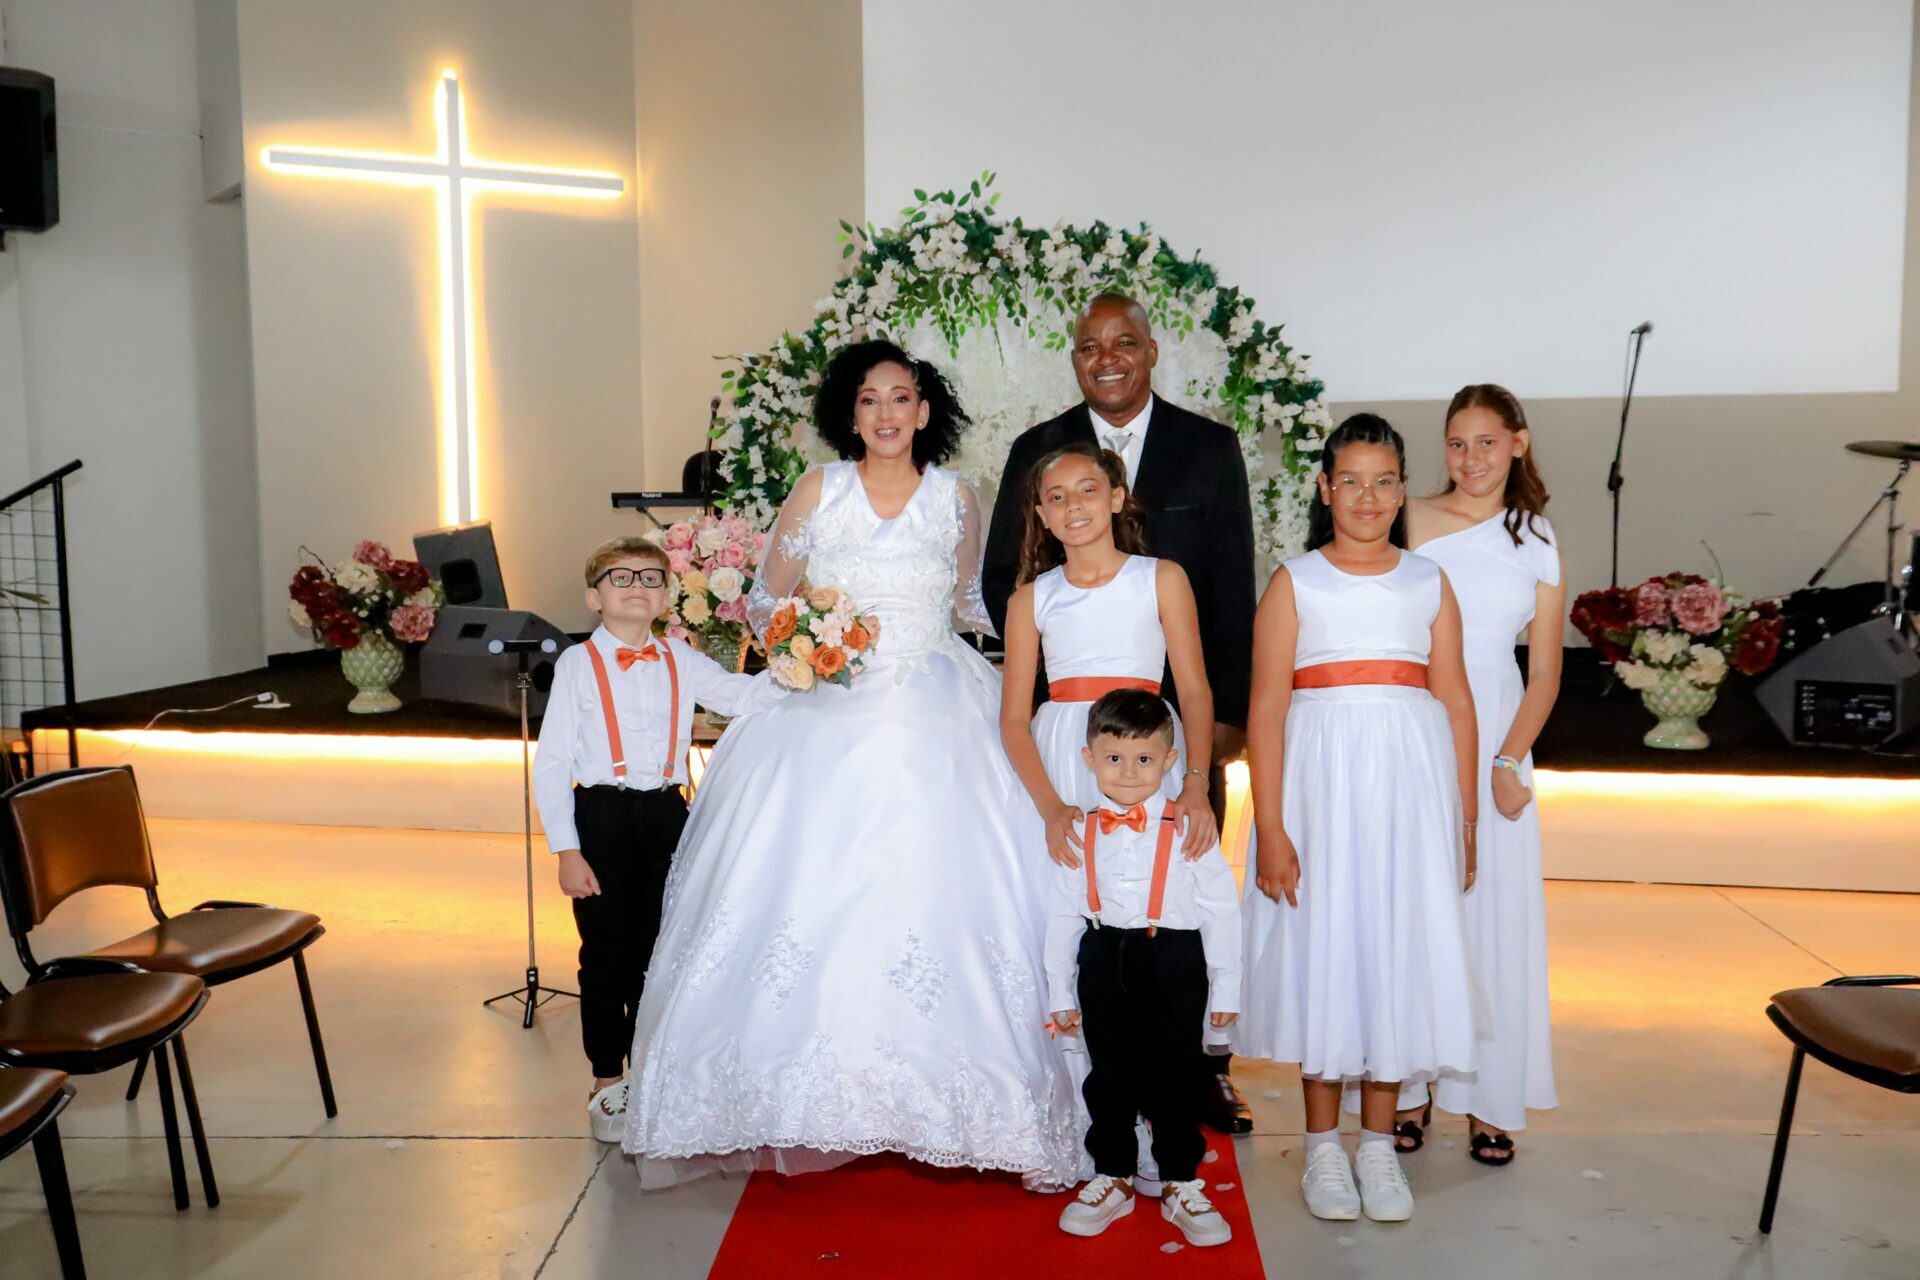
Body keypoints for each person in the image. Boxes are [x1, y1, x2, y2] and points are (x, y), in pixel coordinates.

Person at [622, 341, 1086, 1189]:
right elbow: (767, 598)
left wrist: (1064, 618)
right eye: (869, 400)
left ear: (924, 411)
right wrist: (810, 636)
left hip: (940, 700)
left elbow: (968, 604)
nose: (885, 414)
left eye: (900, 398)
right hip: (826, 701)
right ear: (851, 413)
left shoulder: (956, 497)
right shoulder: (819, 489)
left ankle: (969, 1104)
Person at [984, 291, 1257, 1134]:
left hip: (1155, 733)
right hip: (1062, 745)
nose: (1106, 357)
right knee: (1066, 910)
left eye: (1124, 342)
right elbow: (1006, 614)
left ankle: (1190, 1076)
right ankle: (1076, 1095)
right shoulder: (1035, 514)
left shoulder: (1200, 469)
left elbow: (1225, 603)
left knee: (1172, 902)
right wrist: (1048, 796)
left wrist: (1204, 765)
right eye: (1088, 345)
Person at [1238, 414, 1482, 1223]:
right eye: (1351, 481)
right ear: (1325, 488)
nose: (1367, 498)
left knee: (1393, 951)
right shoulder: (1295, 582)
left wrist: (1465, 820)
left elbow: (1456, 700)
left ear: (1402, 490)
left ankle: (1378, 1146)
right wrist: (1272, 826)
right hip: (1322, 790)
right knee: (1329, 950)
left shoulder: (1428, 582)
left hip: (1409, 793)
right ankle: (1322, 1149)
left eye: (1383, 482)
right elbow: (1267, 707)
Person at [532, 537, 782, 1141]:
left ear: (667, 595)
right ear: (594, 597)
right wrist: (567, 849)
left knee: (661, 949)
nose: (638, 587)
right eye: (621, 577)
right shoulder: (577, 664)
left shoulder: (680, 657)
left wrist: (804, 667)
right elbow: (552, 762)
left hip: (668, 814)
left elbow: (743, 696)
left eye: (651, 577)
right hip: (601, 817)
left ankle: (649, 1071)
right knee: (605, 953)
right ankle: (606, 1078)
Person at [1385, 384, 1561, 1165]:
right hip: (1419, 722)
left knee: (1494, 915)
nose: (1471, 458)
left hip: (1499, 729)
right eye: (1457, 443)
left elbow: (1546, 671)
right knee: (1420, 908)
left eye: (1487, 441)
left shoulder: (1538, 539)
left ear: (1518, 443)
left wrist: (1508, 759)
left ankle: (1490, 1100)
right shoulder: (1412, 519)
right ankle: (1409, 1087)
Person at [1046, 690, 1240, 1248]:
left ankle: (1179, 1179)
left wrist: (1227, 986)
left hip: (1173, 957)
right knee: (1108, 1073)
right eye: (1114, 758)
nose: (1129, 772)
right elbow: (1061, 914)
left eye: (1144, 759)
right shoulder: (1080, 828)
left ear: (1169, 760)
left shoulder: (1190, 826)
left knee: (1176, 1073)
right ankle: (1114, 1175)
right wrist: (1060, 990)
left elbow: (1221, 911)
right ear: (1089, 759)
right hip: (1102, 955)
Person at [997, 440, 1217, 862]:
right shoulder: (1029, 600)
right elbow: (1013, 720)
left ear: (1115, 499)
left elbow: (1194, 691)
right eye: (1057, 497)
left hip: (1144, 738)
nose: (1073, 505)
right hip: (1062, 754)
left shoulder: (1163, 579)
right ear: (1043, 516)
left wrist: (1195, 781)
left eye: (1087, 490)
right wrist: (1051, 808)